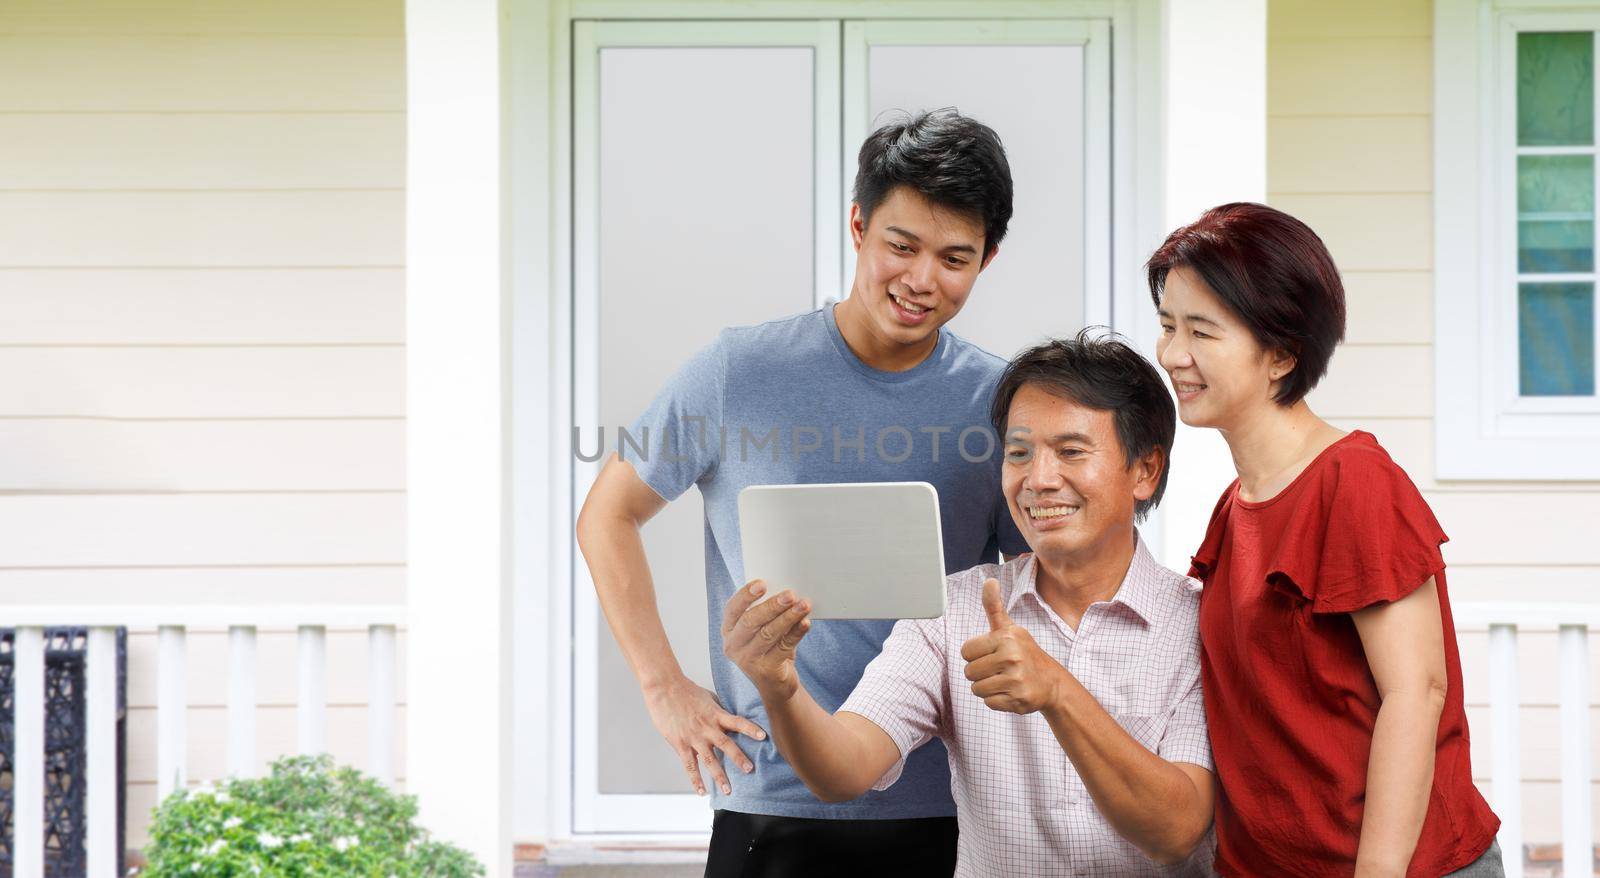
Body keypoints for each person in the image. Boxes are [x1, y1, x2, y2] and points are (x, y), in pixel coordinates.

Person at [575, 109, 1027, 876]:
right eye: (901, 245)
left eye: (955, 257)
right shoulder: (737, 372)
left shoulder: (1004, 402)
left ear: (986, 258)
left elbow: (1037, 594)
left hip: (945, 807)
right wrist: (663, 687)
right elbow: (607, 514)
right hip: (770, 802)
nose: (922, 280)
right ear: (858, 225)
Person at [723, 334, 1217, 877]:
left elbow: (1176, 834)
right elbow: (843, 770)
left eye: (1072, 451)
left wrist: (1057, 692)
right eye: (1019, 452)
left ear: (1145, 470)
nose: (1039, 479)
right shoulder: (952, 610)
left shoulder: (1200, 621)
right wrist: (779, 686)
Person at [1147, 202, 1503, 877]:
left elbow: (1417, 691)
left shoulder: (1354, 482)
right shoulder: (1235, 506)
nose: (1173, 355)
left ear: (1281, 353)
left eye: (1201, 331)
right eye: (1167, 327)